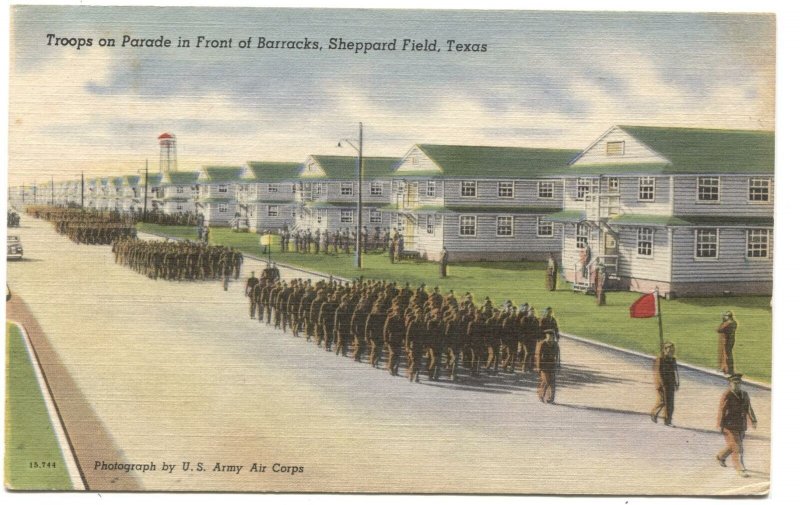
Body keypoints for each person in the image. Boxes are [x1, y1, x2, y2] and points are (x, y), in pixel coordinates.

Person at [716, 374, 757, 478]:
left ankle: (720, 456)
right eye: (734, 383)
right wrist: (720, 425)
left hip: (741, 425)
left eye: (738, 383)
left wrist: (753, 420)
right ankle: (740, 469)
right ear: (730, 384)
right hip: (729, 426)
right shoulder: (727, 395)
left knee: (733, 446)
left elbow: (749, 408)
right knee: (738, 448)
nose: (737, 385)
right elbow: (722, 410)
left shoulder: (745, 394)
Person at [650, 342, 679, 426]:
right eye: (669, 350)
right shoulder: (660, 359)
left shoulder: (673, 360)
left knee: (670, 403)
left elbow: (675, 372)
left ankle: (668, 420)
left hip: (671, 384)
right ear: (665, 350)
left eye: (672, 350)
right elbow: (658, 373)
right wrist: (662, 384)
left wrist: (676, 383)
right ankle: (654, 413)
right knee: (663, 401)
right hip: (663, 384)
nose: (671, 352)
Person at [535, 329, 560, 404]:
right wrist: (539, 367)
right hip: (544, 365)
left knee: (552, 382)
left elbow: (558, 356)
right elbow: (538, 356)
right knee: (546, 381)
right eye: (549, 336)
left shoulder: (555, 344)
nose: (550, 337)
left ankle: (551, 399)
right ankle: (541, 395)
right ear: (546, 336)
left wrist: (558, 366)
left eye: (552, 336)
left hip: (552, 365)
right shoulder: (542, 343)